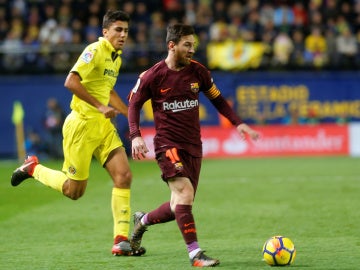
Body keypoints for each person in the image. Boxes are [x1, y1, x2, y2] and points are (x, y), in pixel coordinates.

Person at [10, 10, 145, 257]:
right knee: (74, 191)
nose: (123, 34)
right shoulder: (94, 50)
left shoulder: (116, 58)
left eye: (126, 30)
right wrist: (100, 106)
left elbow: (108, 91)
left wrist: (129, 113)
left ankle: (121, 240)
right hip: (81, 126)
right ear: (105, 32)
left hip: (103, 127)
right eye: (118, 29)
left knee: (124, 176)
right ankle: (33, 168)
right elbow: (71, 81)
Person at [127, 24, 260, 267]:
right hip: (167, 144)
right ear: (172, 46)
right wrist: (135, 135)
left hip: (193, 146)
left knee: (179, 204)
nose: (192, 50)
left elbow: (218, 99)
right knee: (184, 193)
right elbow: (134, 104)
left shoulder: (199, 72)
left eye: (194, 45)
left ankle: (142, 221)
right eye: (187, 45)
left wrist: (238, 123)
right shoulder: (152, 76)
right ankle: (195, 254)